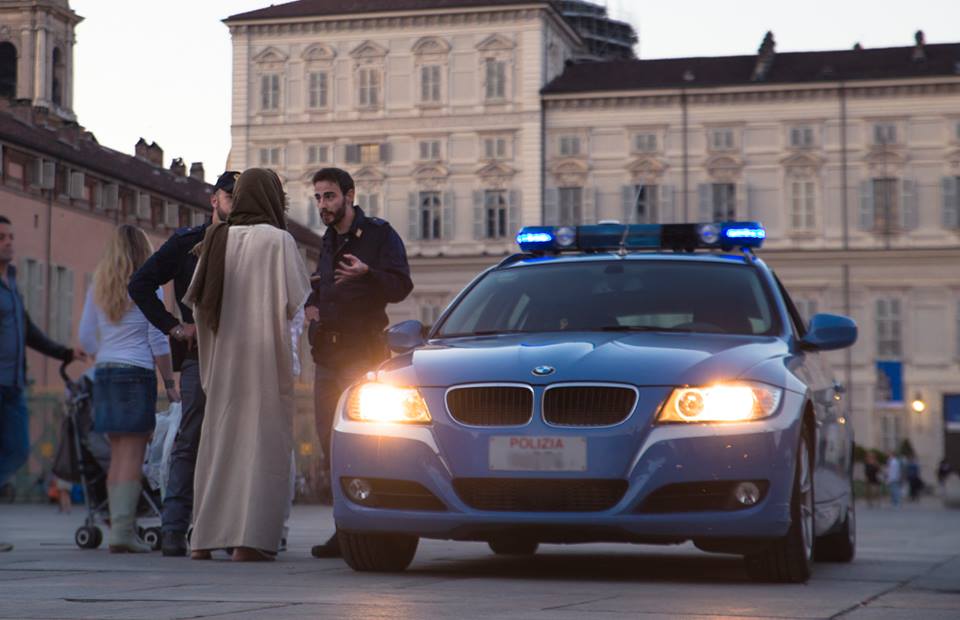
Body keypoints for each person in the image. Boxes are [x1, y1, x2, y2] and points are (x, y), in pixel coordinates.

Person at [185, 168, 310, 562]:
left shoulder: (215, 238)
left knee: (219, 448)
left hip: (224, 364)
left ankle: (203, 538)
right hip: (263, 363)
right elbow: (295, 304)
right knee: (261, 449)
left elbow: (199, 310)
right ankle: (247, 541)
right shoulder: (279, 242)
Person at [128, 171, 238, 556]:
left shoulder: (252, 244)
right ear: (215, 199)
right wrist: (174, 328)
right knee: (190, 437)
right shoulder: (188, 242)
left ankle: (227, 527)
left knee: (234, 439)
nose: (236, 203)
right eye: (230, 195)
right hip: (198, 356)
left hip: (239, 358)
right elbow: (139, 285)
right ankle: (174, 526)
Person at [306, 167, 413, 558]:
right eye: (317, 197)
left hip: (362, 354)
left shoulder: (380, 234)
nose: (323, 205)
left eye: (329, 196)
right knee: (328, 442)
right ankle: (344, 528)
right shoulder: (328, 239)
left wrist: (368, 274)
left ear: (349, 195)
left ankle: (369, 525)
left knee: (363, 443)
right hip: (327, 355)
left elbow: (402, 286)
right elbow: (323, 284)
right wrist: (311, 306)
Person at [78, 224, 178, 553]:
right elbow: (157, 338)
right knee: (132, 455)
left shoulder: (99, 285)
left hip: (103, 373)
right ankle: (122, 532)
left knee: (117, 453)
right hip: (135, 373)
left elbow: (86, 336)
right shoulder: (149, 287)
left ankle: (119, 527)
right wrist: (169, 382)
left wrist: (104, 352)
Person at [0, 215, 84, 552]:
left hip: (14, 384)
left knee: (19, 449)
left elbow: (28, 330)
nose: (8, 242)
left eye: (10, 236)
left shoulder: (13, 282)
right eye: (2, 237)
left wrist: (63, 351)